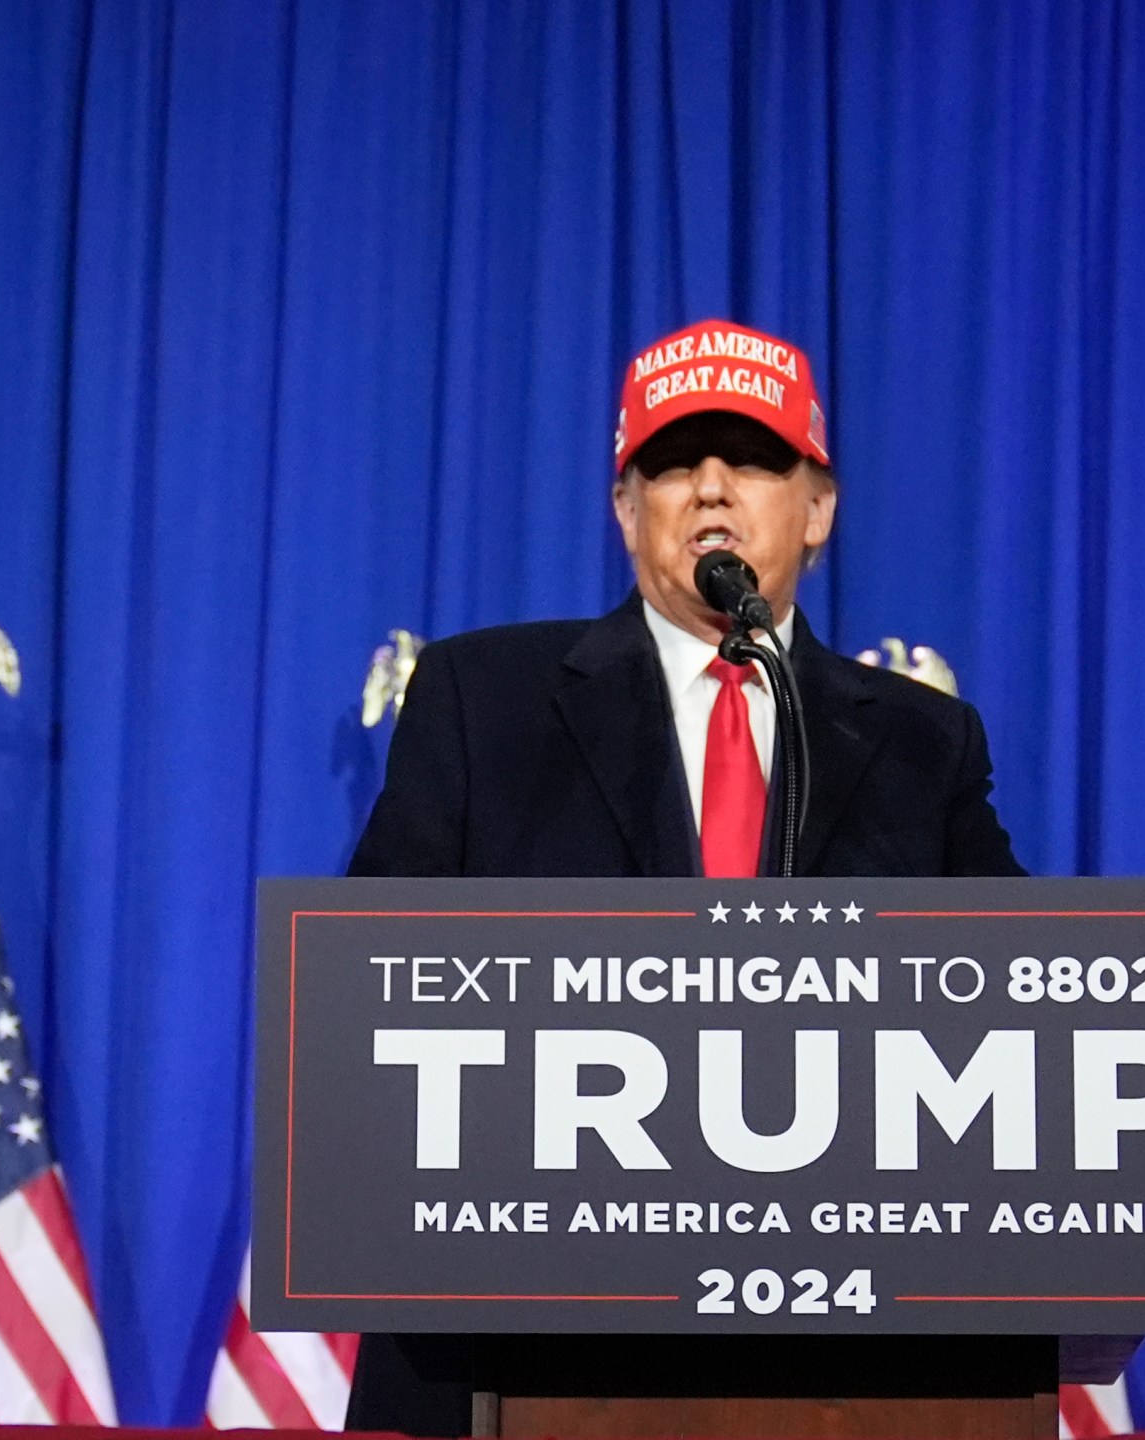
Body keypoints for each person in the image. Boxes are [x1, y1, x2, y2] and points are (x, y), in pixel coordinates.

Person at [342, 318, 1026, 1433]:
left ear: (818, 509)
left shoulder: (919, 742)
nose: (710, 490)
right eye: (671, 465)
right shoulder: (486, 699)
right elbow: (366, 984)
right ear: (625, 511)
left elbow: (1023, 999)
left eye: (753, 460)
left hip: (836, 1352)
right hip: (516, 1339)